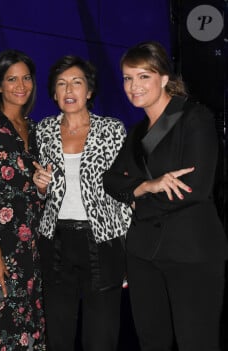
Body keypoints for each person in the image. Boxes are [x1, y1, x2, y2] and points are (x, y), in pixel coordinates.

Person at [103, 41, 228, 350]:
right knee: (151, 341)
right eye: (128, 78)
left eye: (143, 76)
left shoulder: (195, 119)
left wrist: (136, 197)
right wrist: (146, 186)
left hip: (191, 251)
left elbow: (194, 189)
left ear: (163, 78)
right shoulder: (136, 133)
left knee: (196, 342)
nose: (133, 86)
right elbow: (110, 181)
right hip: (143, 254)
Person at [33, 55, 131, 351]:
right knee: (58, 332)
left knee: (101, 335)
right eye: (61, 84)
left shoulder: (112, 130)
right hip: (56, 239)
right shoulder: (44, 130)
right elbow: (41, 191)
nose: (69, 90)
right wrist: (40, 189)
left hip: (102, 241)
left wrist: (128, 250)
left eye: (77, 82)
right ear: (53, 93)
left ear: (89, 91)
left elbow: (124, 193)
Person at [0, 49, 45, 350]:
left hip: (32, 249)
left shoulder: (36, 130)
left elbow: (38, 194)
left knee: (30, 329)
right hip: (0, 250)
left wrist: (42, 189)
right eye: (12, 79)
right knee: (1, 330)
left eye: (26, 78)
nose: (21, 85)